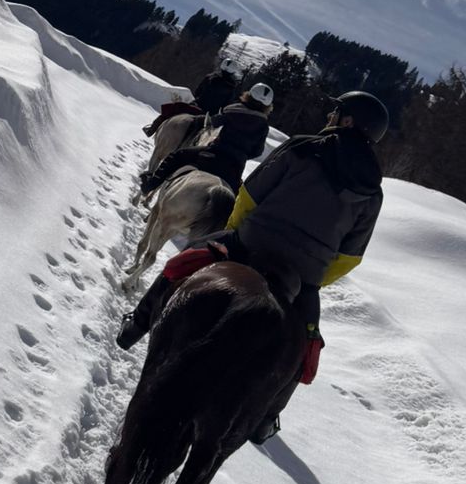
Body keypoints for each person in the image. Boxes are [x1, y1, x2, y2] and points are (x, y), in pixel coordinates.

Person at [120, 90, 389, 442]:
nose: (329, 117)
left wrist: (233, 235)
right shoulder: (373, 189)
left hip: (251, 243)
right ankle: (267, 418)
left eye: (336, 112)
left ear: (348, 120)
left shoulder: (302, 146)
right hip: (303, 275)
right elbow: (350, 257)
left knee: (181, 264)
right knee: (306, 350)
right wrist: (312, 282)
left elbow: (249, 196)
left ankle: (137, 323)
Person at [142, 81, 274, 197]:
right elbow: (257, 152)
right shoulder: (264, 126)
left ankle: (150, 184)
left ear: (249, 95)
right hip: (235, 167)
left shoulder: (234, 110)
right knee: (235, 201)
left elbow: (213, 123)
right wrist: (242, 154)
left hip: (214, 153)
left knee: (177, 156)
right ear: (267, 106)